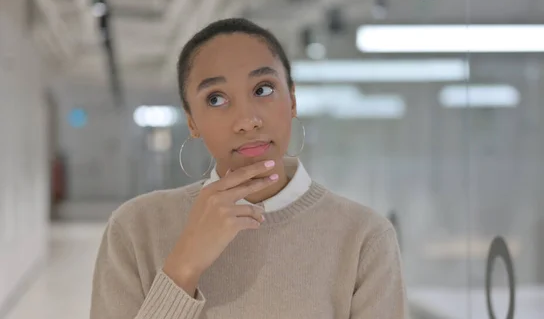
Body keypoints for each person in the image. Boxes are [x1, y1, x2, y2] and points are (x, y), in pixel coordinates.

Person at [90, 18, 406, 319]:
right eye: (215, 99)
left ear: (292, 100)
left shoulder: (364, 237)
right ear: (192, 122)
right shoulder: (135, 228)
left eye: (263, 89)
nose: (247, 120)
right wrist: (184, 264)